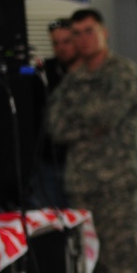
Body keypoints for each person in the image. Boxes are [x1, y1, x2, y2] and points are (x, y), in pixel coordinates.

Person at [47, 8, 137, 273]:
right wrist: (87, 126)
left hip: (116, 180)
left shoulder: (122, 73)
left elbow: (106, 114)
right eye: (76, 34)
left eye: (88, 31)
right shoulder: (73, 79)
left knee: (124, 254)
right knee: (94, 255)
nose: (82, 39)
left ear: (103, 32)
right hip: (82, 182)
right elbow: (55, 128)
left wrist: (84, 121)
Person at [34, 18, 81, 208]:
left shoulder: (90, 72)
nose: (61, 48)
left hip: (81, 163)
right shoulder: (44, 73)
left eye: (66, 42)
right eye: (56, 43)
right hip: (49, 162)